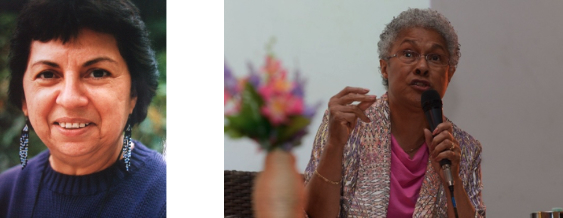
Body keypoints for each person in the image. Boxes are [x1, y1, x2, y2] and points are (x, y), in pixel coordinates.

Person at [303, 8, 485, 217]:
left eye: (435, 58)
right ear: (384, 67)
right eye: (409, 54)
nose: (422, 66)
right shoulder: (346, 126)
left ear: (449, 74)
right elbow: (312, 214)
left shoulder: (464, 149)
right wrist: (334, 146)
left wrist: (452, 178)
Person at [0, 0, 165, 217]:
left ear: (133, 94)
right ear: (23, 98)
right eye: (48, 74)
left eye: (98, 73)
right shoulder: (6, 194)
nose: (70, 99)